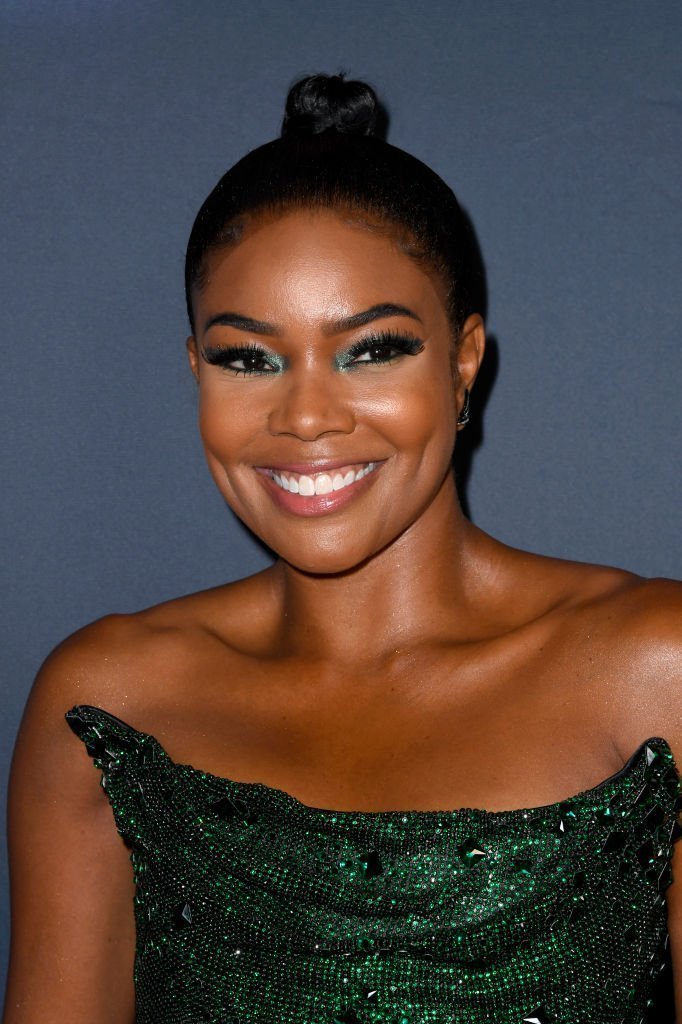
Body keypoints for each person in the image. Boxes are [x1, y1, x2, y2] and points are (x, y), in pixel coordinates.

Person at [3, 72, 681, 1024]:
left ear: (464, 360)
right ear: (195, 369)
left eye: (373, 349)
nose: (307, 416)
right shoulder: (107, 705)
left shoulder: (656, 669)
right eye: (249, 359)